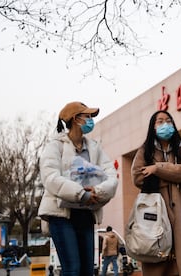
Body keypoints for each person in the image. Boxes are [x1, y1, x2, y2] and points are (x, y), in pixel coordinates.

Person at [38, 101, 118, 276]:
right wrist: (80, 194)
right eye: (87, 116)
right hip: (61, 215)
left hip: (86, 214)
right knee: (72, 269)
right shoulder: (55, 146)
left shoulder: (95, 148)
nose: (91, 120)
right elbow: (50, 177)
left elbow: (111, 176)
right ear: (75, 119)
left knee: (87, 271)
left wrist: (97, 192)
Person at [131, 110, 181, 276]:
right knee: (157, 257)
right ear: (153, 127)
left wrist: (157, 169)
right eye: (160, 121)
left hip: (180, 213)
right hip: (155, 211)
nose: (165, 124)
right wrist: (173, 175)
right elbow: (138, 177)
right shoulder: (145, 150)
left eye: (168, 120)